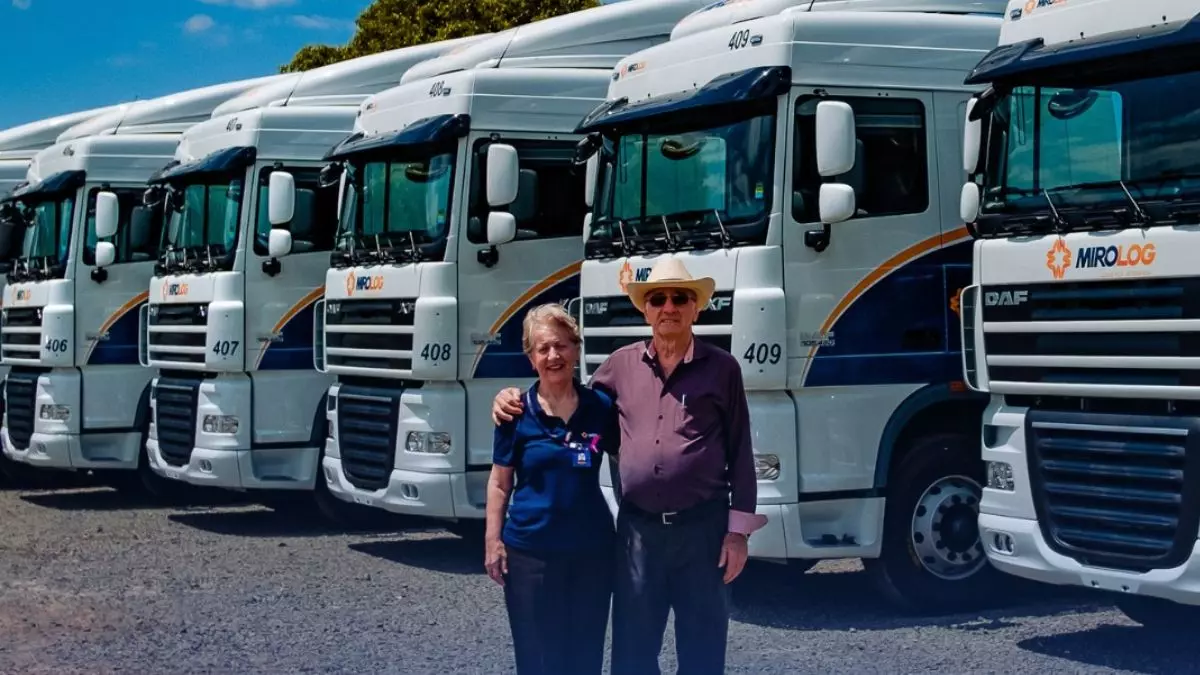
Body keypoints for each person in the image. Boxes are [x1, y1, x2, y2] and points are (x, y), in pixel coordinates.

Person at [492, 258, 767, 675]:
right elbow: (563, 392)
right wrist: (507, 396)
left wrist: (738, 535)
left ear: (696, 307)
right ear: (646, 309)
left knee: (703, 650)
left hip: (703, 532)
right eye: (658, 298)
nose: (669, 307)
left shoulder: (722, 369)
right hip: (639, 533)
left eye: (680, 298)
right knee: (633, 655)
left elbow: (741, 452)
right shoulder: (619, 366)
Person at [483, 303, 618, 675]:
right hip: (530, 554)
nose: (553, 356)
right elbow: (499, 481)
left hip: (591, 553)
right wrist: (493, 541)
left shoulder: (600, 408)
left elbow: (631, 463)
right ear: (531, 358)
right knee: (538, 657)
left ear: (576, 349)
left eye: (561, 346)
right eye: (543, 349)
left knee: (585, 653)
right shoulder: (514, 413)